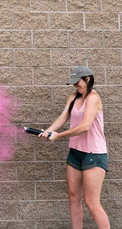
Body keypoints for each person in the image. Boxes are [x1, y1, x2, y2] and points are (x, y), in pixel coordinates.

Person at [39, 66, 110, 229]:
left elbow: (85, 126)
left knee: (91, 203)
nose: (74, 86)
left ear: (87, 79)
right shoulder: (73, 97)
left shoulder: (93, 97)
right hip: (75, 153)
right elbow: (63, 117)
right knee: (73, 197)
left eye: (77, 82)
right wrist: (48, 131)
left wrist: (59, 136)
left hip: (94, 154)